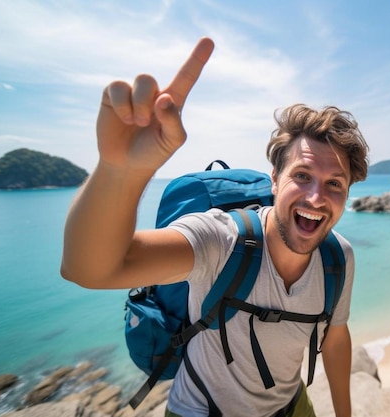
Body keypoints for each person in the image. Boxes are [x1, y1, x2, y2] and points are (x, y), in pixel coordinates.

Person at [61, 37, 369, 417]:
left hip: (290, 408)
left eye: (334, 184)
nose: (316, 197)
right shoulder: (221, 241)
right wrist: (120, 171)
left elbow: (335, 338)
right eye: (302, 175)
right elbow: (87, 268)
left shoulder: (338, 257)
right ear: (274, 180)